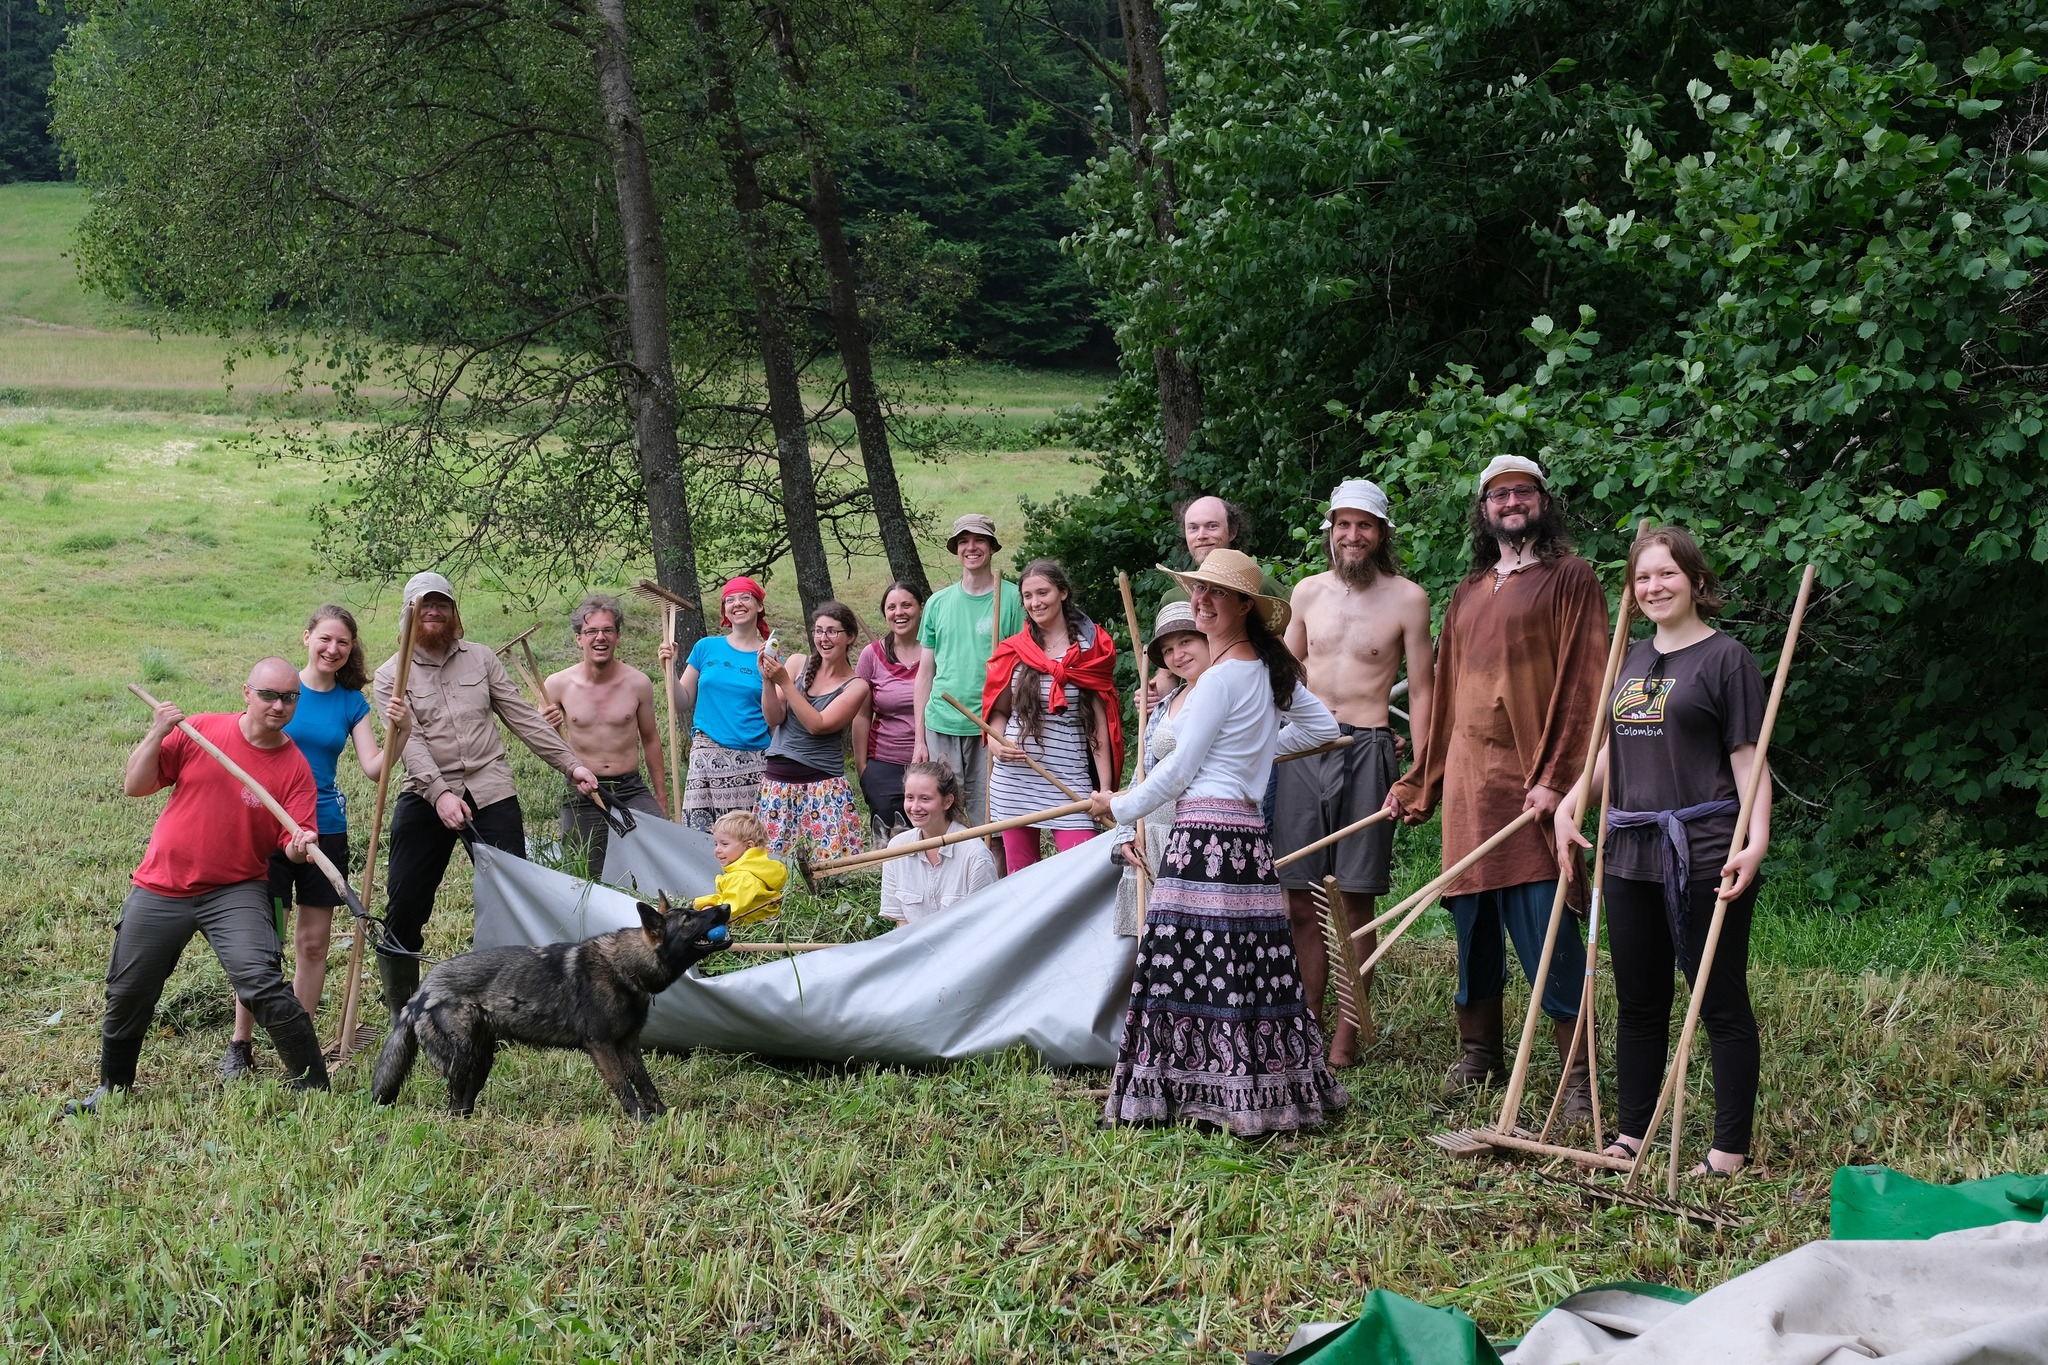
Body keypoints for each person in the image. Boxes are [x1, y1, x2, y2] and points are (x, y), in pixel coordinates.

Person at [1088, 549, 1345, 1137]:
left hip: (1205, 834)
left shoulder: (1220, 679)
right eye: (1195, 592)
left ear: (1243, 606)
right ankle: (1248, 1088)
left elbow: (1179, 772)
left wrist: (1118, 806)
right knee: (1243, 963)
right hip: (1246, 836)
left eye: (1213, 595)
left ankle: (1196, 1088)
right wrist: (1246, 758)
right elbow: (1320, 730)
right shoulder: (1266, 669)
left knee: (1190, 963)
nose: (1200, 603)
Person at [1385, 455, 1608, 1119]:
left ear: (1544, 500)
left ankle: (1577, 1077)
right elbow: (1447, 693)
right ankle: (1480, 1052)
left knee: (1548, 934)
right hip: (1471, 799)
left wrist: (1558, 781)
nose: (1512, 502)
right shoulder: (1467, 591)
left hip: (1534, 795)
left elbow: (1585, 683)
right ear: (1484, 510)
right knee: (1474, 930)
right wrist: (1420, 780)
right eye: (1499, 494)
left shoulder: (1571, 579)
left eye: (1523, 492)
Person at [1555, 527, 1770, 1177]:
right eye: (1643, 577)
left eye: (1667, 574)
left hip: (1705, 849)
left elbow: (1748, 761)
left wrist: (1755, 839)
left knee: (1719, 998)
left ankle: (1727, 1151)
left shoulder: (1727, 660)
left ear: (1696, 581)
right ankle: (1629, 1134)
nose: (1654, 586)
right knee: (1640, 999)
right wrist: (1572, 802)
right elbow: (1613, 749)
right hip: (1629, 850)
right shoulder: (1634, 658)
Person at [74, 659, 331, 1112]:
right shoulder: (200, 732)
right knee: (128, 987)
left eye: (290, 697)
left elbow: (292, 848)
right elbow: (135, 786)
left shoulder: (294, 768)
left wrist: (300, 843)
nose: (278, 705)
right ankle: (112, 1087)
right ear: (246, 693)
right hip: (161, 885)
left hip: (236, 889)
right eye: (268, 694)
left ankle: (312, 1084)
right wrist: (158, 731)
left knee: (261, 981)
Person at [373, 572, 597, 1022]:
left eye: (441, 604)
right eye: (423, 605)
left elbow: (522, 718)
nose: (433, 611)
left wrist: (571, 764)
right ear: (408, 614)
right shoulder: (389, 675)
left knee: (514, 894)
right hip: (423, 793)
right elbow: (408, 745)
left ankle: (517, 1003)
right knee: (405, 903)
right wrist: (438, 794)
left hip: (489, 787)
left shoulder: (481, 660)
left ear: (454, 613)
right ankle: (404, 1011)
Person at [1276, 480, 1435, 1067]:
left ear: (1381, 533)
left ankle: (1347, 1034)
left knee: (1356, 897)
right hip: (1304, 748)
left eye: (1363, 525)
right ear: (1330, 532)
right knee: (1299, 895)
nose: (1352, 535)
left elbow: (1422, 690)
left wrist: (1422, 765)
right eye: (1343, 524)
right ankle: (1305, 1026)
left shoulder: (1408, 599)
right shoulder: (1307, 593)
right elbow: (1283, 671)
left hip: (1369, 747)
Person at [222, 606, 403, 1078]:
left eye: (343, 643)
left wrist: (399, 733)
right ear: (307, 637)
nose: (333, 649)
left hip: (324, 831)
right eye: (325, 638)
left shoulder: (351, 702)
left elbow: (374, 768)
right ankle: (240, 1043)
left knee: (313, 943)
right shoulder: (281, 689)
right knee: (263, 942)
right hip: (269, 826)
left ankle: (295, 1047)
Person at [982, 559, 1122, 872]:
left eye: (1042, 592)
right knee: (1021, 878)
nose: (1035, 602)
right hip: (1014, 782)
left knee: (1081, 873)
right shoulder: (1014, 650)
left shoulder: (1091, 648)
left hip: (1068, 779)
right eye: (1028, 596)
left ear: (1062, 592)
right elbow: (999, 710)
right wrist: (996, 742)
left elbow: (1099, 727)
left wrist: (1104, 789)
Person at [540, 593, 667, 876]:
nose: (600, 637)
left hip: (631, 788)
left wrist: (661, 796)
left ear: (618, 636)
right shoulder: (558, 684)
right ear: (579, 639)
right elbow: (545, 743)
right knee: (583, 872)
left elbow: (650, 739)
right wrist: (544, 725)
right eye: (591, 631)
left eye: (608, 630)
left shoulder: (638, 683)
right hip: (582, 789)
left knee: (661, 852)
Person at [912, 514, 1024, 829]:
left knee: (991, 820)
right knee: (945, 814)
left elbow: (1023, 668)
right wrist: (919, 738)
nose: (971, 547)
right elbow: (924, 675)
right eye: (963, 541)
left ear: (991, 547)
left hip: (990, 724)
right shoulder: (937, 603)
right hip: (941, 724)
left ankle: (992, 878)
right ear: (956, 548)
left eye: (978, 540)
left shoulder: (1012, 598)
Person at [1112, 599, 1211, 936]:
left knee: (1194, 941)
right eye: (1168, 649)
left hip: (1198, 837)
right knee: (1154, 945)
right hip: (1152, 833)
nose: (1177, 655)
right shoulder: (1165, 704)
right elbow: (1143, 770)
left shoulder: (1223, 694)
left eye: (1186, 642)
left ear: (1210, 639)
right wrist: (1126, 830)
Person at [756, 601, 870, 860]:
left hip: (822, 788)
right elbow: (773, 717)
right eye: (818, 631)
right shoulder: (797, 662)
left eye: (832, 631)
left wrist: (784, 682)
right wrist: (766, 679)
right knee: (775, 869)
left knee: (826, 874)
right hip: (777, 784)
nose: (823, 638)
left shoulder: (856, 686)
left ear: (850, 637)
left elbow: (817, 725)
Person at [665, 577, 775, 833]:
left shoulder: (768, 654)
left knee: (749, 839)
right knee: (702, 839)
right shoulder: (706, 647)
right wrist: (668, 669)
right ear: (724, 608)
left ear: (759, 605)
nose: (737, 604)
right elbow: (682, 702)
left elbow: (774, 716)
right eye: (730, 599)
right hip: (707, 755)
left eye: (745, 597)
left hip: (754, 760)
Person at [880, 760, 999, 925]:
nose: (915, 807)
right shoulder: (897, 849)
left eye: (925, 799)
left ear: (947, 801)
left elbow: (984, 923)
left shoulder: (975, 855)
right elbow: (902, 923)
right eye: (909, 798)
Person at [853, 581, 927, 841]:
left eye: (907, 605)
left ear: (921, 608)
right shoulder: (871, 656)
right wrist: (863, 768)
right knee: (889, 842)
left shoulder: (936, 652)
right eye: (891, 607)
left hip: (930, 762)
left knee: (928, 839)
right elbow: (861, 715)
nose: (899, 612)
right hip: (884, 763)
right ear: (884, 613)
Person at [1159, 495, 1290, 603]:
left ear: (1232, 531)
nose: (1201, 536)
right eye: (1193, 528)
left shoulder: (1263, 589)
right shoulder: (1172, 600)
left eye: (1212, 526)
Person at [694, 810, 788, 926]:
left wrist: (708, 910)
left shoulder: (742, 878)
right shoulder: (756, 870)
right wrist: (705, 902)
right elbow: (729, 897)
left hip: (753, 928)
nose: (717, 850)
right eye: (716, 844)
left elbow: (729, 911)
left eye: (724, 844)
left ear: (748, 846)